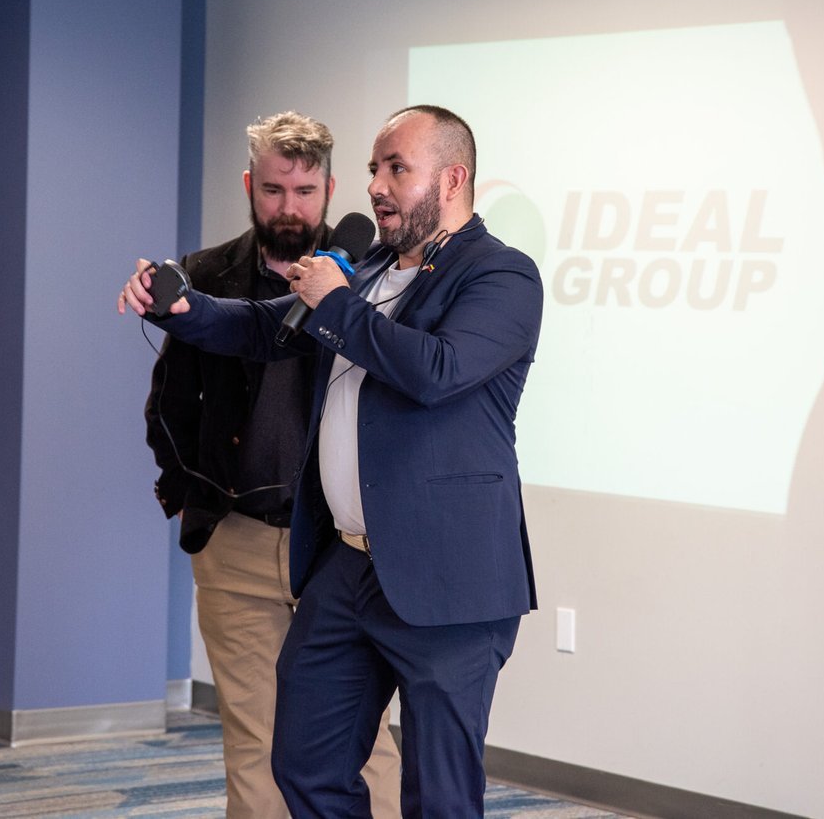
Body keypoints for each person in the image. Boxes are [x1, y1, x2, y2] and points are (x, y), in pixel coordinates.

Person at [121, 105, 542, 817]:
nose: (376, 186)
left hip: (449, 573)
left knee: (438, 795)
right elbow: (267, 328)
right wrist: (183, 308)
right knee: (305, 764)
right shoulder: (367, 267)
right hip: (348, 566)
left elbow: (436, 371)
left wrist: (339, 304)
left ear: (452, 179)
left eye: (397, 169)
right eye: (375, 169)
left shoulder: (502, 274)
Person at [146, 112, 401, 818]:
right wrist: (185, 493)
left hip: (340, 547)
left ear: (330, 191)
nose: (289, 208)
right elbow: (168, 403)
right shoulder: (205, 276)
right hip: (237, 539)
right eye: (273, 190)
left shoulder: (375, 274)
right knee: (255, 745)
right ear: (249, 186)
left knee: (363, 741)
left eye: (305, 191)